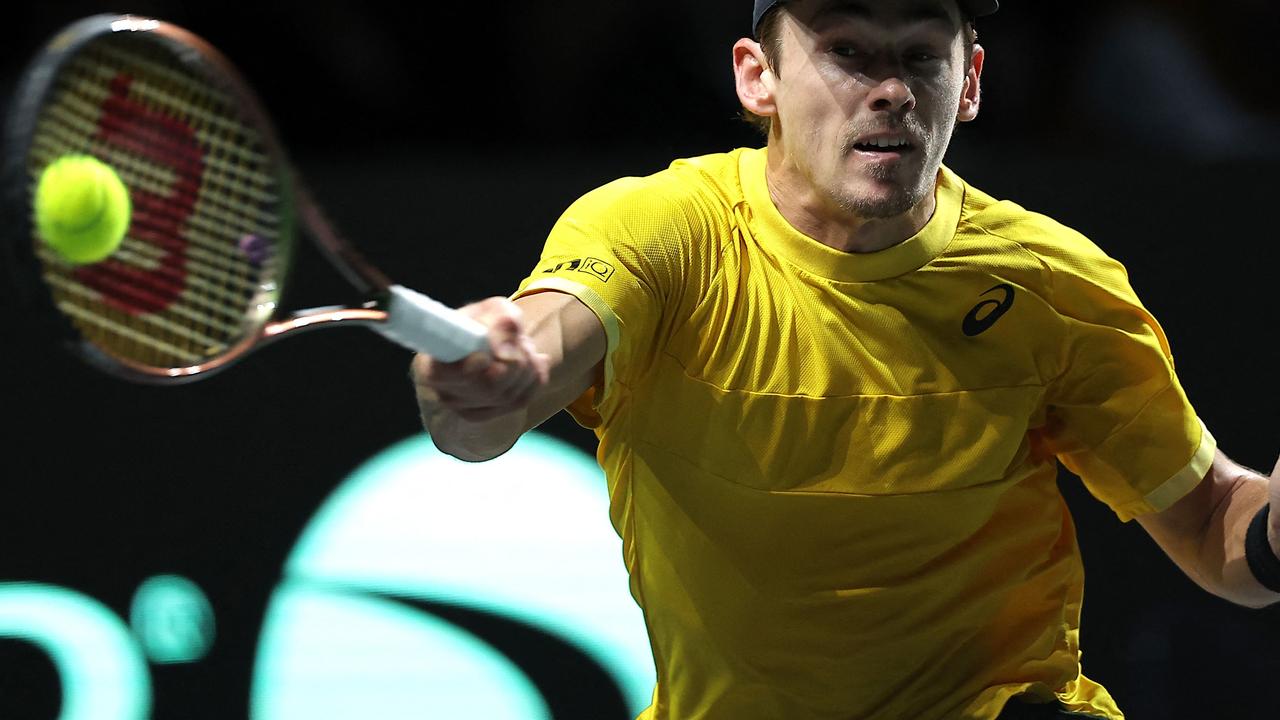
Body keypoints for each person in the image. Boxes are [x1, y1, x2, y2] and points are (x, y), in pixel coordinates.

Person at [409, 1, 1280, 718]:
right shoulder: (660, 231)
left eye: (922, 56)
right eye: (848, 52)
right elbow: (521, 377)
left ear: (969, 81)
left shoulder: (1052, 285)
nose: (892, 90)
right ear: (760, 78)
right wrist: (486, 384)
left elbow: (1212, 527)